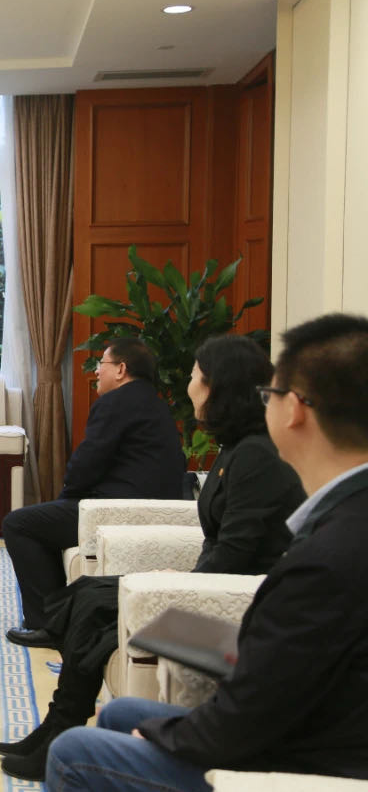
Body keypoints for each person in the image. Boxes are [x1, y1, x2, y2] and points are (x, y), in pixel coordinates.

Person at [46, 313, 368, 791]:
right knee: (119, 712)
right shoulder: (344, 512)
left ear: (295, 410)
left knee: (73, 751)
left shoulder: (328, 557)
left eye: (271, 394)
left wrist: (172, 736)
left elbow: (252, 713)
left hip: (312, 759)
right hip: (316, 725)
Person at [0, 335, 304, 781]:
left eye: (196, 377)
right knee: (87, 593)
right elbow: (222, 542)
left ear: (218, 387)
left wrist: (179, 581)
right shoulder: (235, 447)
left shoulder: (256, 455)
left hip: (229, 598)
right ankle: (57, 722)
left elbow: (237, 553)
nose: (189, 386)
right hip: (210, 577)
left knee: (94, 602)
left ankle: (61, 725)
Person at [4, 337, 184, 647]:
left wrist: (64, 500)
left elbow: (86, 463)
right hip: (148, 510)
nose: (97, 371)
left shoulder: (116, 402)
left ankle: (48, 625)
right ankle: (62, 615)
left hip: (116, 511)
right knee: (43, 521)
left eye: (102, 364)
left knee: (18, 524)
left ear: (121, 369)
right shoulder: (155, 403)